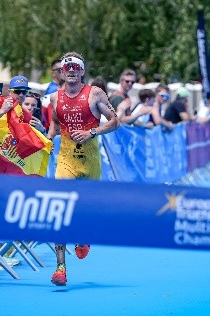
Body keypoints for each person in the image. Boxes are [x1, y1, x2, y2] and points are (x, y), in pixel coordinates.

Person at [47, 52, 120, 286]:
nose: (70, 70)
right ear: (61, 71)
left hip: (89, 161)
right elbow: (56, 124)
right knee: (60, 208)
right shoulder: (55, 98)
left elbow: (115, 120)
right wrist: (46, 140)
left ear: (81, 71)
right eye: (66, 66)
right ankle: (60, 268)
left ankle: (83, 237)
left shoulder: (94, 93)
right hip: (66, 160)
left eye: (75, 67)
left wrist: (92, 132)